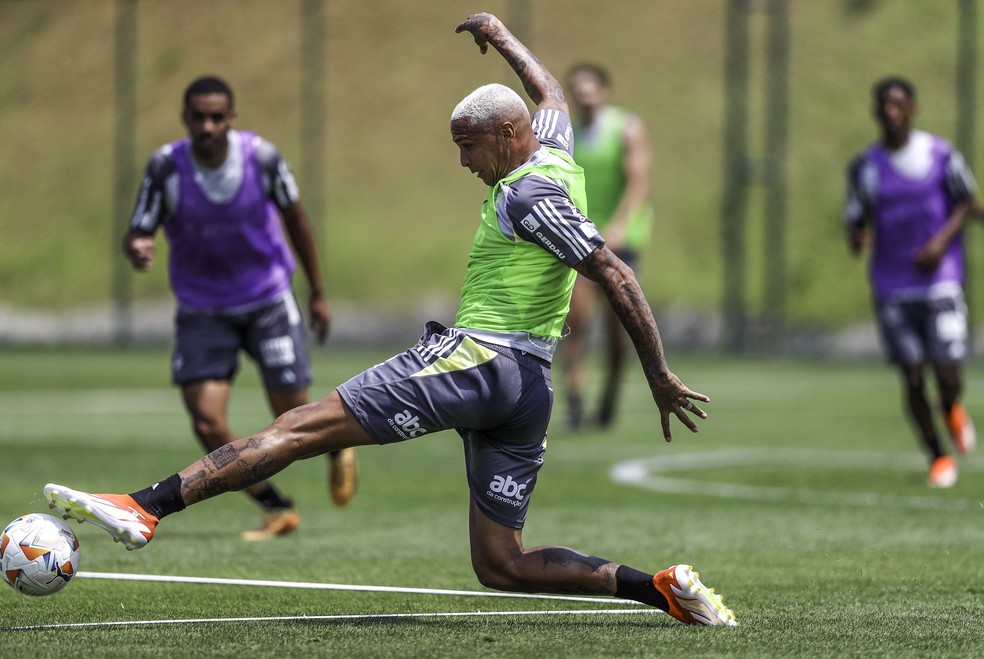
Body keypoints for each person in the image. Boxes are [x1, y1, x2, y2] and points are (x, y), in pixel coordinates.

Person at [45, 14, 736, 626]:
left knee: (298, 427)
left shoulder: (530, 195)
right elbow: (550, 93)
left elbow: (613, 271)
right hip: (525, 386)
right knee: (500, 563)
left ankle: (146, 506)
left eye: (469, 145)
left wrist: (660, 375)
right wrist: (499, 39)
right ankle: (662, 589)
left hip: (477, 359)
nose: (463, 160)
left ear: (504, 134)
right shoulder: (554, 145)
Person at [122, 75, 358, 540]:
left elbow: (298, 221)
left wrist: (318, 291)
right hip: (202, 310)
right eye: (198, 117)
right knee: (207, 420)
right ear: (185, 118)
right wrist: (138, 247)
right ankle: (277, 508)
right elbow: (138, 228)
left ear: (232, 118)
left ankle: (337, 449)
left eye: (217, 117)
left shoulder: (262, 158)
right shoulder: (165, 168)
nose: (208, 126)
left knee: (292, 411)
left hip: (268, 299)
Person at [844, 76, 977, 488]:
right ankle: (938, 455)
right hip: (892, 287)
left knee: (948, 373)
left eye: (899, 105)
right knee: (913, 374)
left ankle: (952, 406)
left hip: (942, 282)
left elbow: (969, 202)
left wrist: (940, 243)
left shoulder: (940, 154)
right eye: (885, 105)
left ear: (913, 110)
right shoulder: (866, 166)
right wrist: (857, 235)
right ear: (875, 111)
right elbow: (855, 216)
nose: (892, 112)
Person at [561, 63, 653, 430]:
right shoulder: (569, 135)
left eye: (590, 91)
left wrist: (619, 226)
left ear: (603, 91)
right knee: (574, 321)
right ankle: (574, 402)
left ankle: (610, 396)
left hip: (620, 243)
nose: (584, 98)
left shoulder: (626, 129)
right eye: (577, 92)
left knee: (619, 332)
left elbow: (638, 183)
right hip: (580, 241)